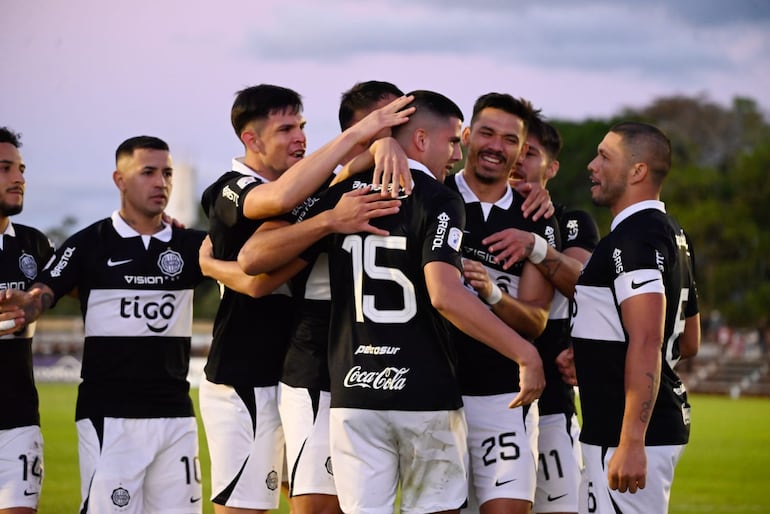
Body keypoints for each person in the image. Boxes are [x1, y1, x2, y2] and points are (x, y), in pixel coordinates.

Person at [286, 89, 544, 514]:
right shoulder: (441, 199)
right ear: (421, 140)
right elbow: (444, 294)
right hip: (422, 393)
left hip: (355, 393)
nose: (457, 154)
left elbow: (261, 246)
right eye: (453, 140)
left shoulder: (343, 192)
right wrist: (524, 352)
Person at [198, 83, 411, 514]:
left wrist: (385, 140)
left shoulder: (311, 189)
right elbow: (257, 278)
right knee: (246, 507)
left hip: (295, 371)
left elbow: (336, 180)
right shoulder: (231, 188)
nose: (299, 137)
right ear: (250, 139)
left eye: (302, 126)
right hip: (244, 374)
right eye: (285, 129)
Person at [0, 135, 208, 514]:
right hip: (109, 417)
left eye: (167, 173)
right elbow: (46, 290)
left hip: (177, 415)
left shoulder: (194, 245)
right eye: (148, 172)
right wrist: (28, 305)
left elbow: (245, 269)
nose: (160, 182)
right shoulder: (87, 244)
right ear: (120, 180)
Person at [569, 122, 700, 513]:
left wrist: (631, 442)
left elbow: (647, 339)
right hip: (637, 430)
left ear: (637, 171)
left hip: (625, 437)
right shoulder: (672, 231)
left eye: (604, 156)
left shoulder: (635, 237)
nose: (592, 165)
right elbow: (689, 341)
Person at [441, 93, 560, 514]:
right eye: (487, 133)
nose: (496, 145)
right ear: (468, 136)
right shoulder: (434, 196)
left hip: (503, 396)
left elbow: (534, 321)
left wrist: (492, 293)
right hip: (435, 393)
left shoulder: (537, 218)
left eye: (510, 140)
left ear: (522, 151)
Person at [510, 117, 600, 514]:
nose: (517, 160)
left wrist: (538, 243)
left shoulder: (572, 221)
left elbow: (585, 285)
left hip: (549, 403)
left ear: (552, 168)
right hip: (475, 394)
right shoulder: (468, 214)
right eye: (515, 149)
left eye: (530, 153)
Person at [0, 127, 53, 514]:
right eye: (5, 168)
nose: (19, 178)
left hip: (18, 418)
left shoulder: (34, 244)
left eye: (20, 169)